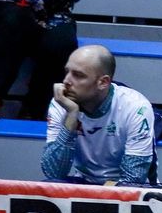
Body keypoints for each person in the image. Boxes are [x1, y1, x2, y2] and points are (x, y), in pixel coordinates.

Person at [41, 44, 156, 185]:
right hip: (84, 184)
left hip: (124, 190)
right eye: (67, 72)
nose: (66, 81)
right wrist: (71, 116)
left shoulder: (135, 107)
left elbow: (132, 181)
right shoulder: (61, 103)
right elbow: (54, 173)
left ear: (103, 82)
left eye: (78, 75)